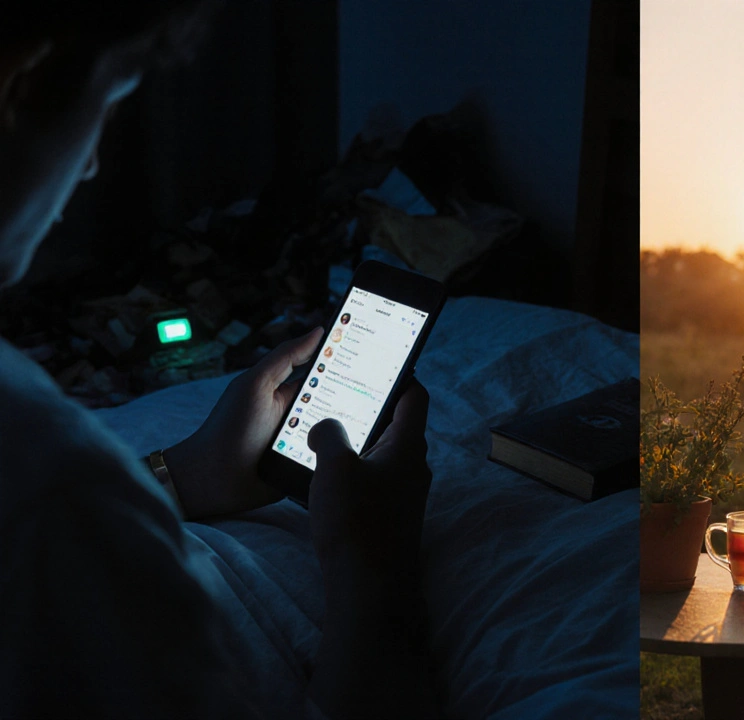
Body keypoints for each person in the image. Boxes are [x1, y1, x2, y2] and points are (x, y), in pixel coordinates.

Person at [0, 2, 433, 717]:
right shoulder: (56, 500)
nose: (93, 167)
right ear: (22, 79)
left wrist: (184, 474)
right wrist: (374, 580)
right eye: (105, 109)